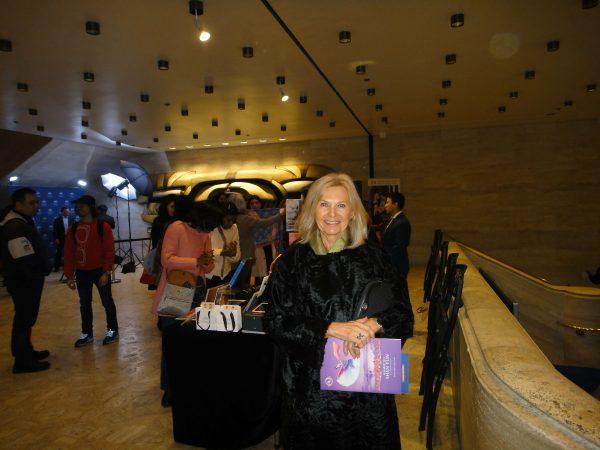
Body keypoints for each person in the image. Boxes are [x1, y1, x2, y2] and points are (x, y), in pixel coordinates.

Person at [265, 173, 414, 449]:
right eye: (324, 204)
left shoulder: (375, 258)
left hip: (366, 397)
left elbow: (403, 313)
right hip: (310, 396)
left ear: (354, 212)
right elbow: (276, 321)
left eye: (341, 206)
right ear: (312, 209)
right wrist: (330, 329)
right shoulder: (292, 263)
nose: (332, 214)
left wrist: (374, 325)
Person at [152, 201, 218, 407]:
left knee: (193, 340)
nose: (209, 230)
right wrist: (196, 262)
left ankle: (189, 383)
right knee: (172, 341)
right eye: (209, 225)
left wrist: (207, 262)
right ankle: (169, 387)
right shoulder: (177, 228)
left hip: (198, 289)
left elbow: (208, 266)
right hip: (176, 288)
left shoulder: (205, 233)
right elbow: (167, 260)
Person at [0, 188, 52, 373]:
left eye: (37, 202)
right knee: (24, 319)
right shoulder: (14, 226)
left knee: (26, 318)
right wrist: (35, 275)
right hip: (24, 280)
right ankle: (22, 361)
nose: (36, 206)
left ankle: (26, 351)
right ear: (18, 204)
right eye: (32, 203)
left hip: (25, 279)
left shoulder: (20, 222)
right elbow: (23, 258)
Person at [64, 195, 119, 347]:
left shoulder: (103, 226)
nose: (78, 208)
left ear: (91, 207)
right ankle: (87, 333)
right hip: (82, 273)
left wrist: (106, 272)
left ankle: (113, 330)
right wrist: (69, 276)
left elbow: (109, 250)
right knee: (84, 304)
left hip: (99, 271)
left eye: (82, 205)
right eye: (77, 206)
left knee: (107, 302)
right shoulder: (73, 229)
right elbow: (69, 253)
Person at [228, 193, 283, 285]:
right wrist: (280, 215)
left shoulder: (230, 219)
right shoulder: (244, 219)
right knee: (242, 284)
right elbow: (264, 223)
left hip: (232, 259)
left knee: (233, 283)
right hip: (245, 258)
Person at [206, 202, 240, 288]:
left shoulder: (234, 228)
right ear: (221, 217)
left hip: (225, 276)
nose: (231, 223)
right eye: (228, 220)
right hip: (209, 276)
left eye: (233, 220)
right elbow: (205, 254)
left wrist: (233, 253)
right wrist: (223, 252)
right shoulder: (211, 228)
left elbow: (236, 258)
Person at [382, 192, 411, 278]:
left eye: (387, 202)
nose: (385, 205)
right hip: (392, 265)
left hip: (397, 266)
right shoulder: (394, 220)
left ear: (395, 204)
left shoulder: (401, 222)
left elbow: (399, 247)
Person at [52, 206, 74, 272]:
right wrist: (56, 238)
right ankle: (56, 268)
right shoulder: (57, 220)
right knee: (59, 253)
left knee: (70, 253)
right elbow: (55, 230)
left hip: (70, 239)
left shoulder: (72, 219)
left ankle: (71, 267)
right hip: (60, 238)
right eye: (66, 211)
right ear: (62, 212)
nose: (67, 212)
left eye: (68, 211)